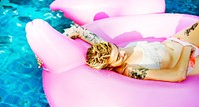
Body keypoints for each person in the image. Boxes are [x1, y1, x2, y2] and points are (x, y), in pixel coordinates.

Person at [63, 22, 199, 82]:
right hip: (188, 61)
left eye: (118, 49)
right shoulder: (133, 71)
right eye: (118, 58)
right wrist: (187, 50)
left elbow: (79, 31)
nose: (123, 53)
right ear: (110, 67)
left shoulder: (111, 52)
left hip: (177, 41)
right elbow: (177, 75)